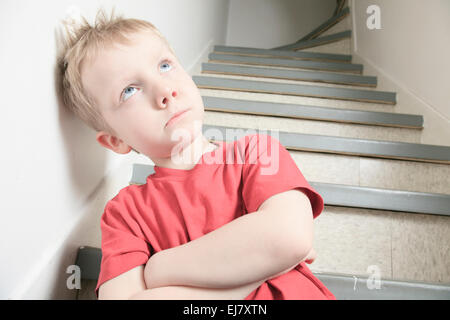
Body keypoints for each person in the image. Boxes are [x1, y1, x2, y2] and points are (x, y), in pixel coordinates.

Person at [57, 7, 335, 300]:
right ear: (115, 141)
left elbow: (288, 237)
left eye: (164, 66)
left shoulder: (257, 152)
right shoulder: (125, 213)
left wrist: (159, 270)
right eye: (129, 90)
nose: (164, 90)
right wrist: (264, 268)